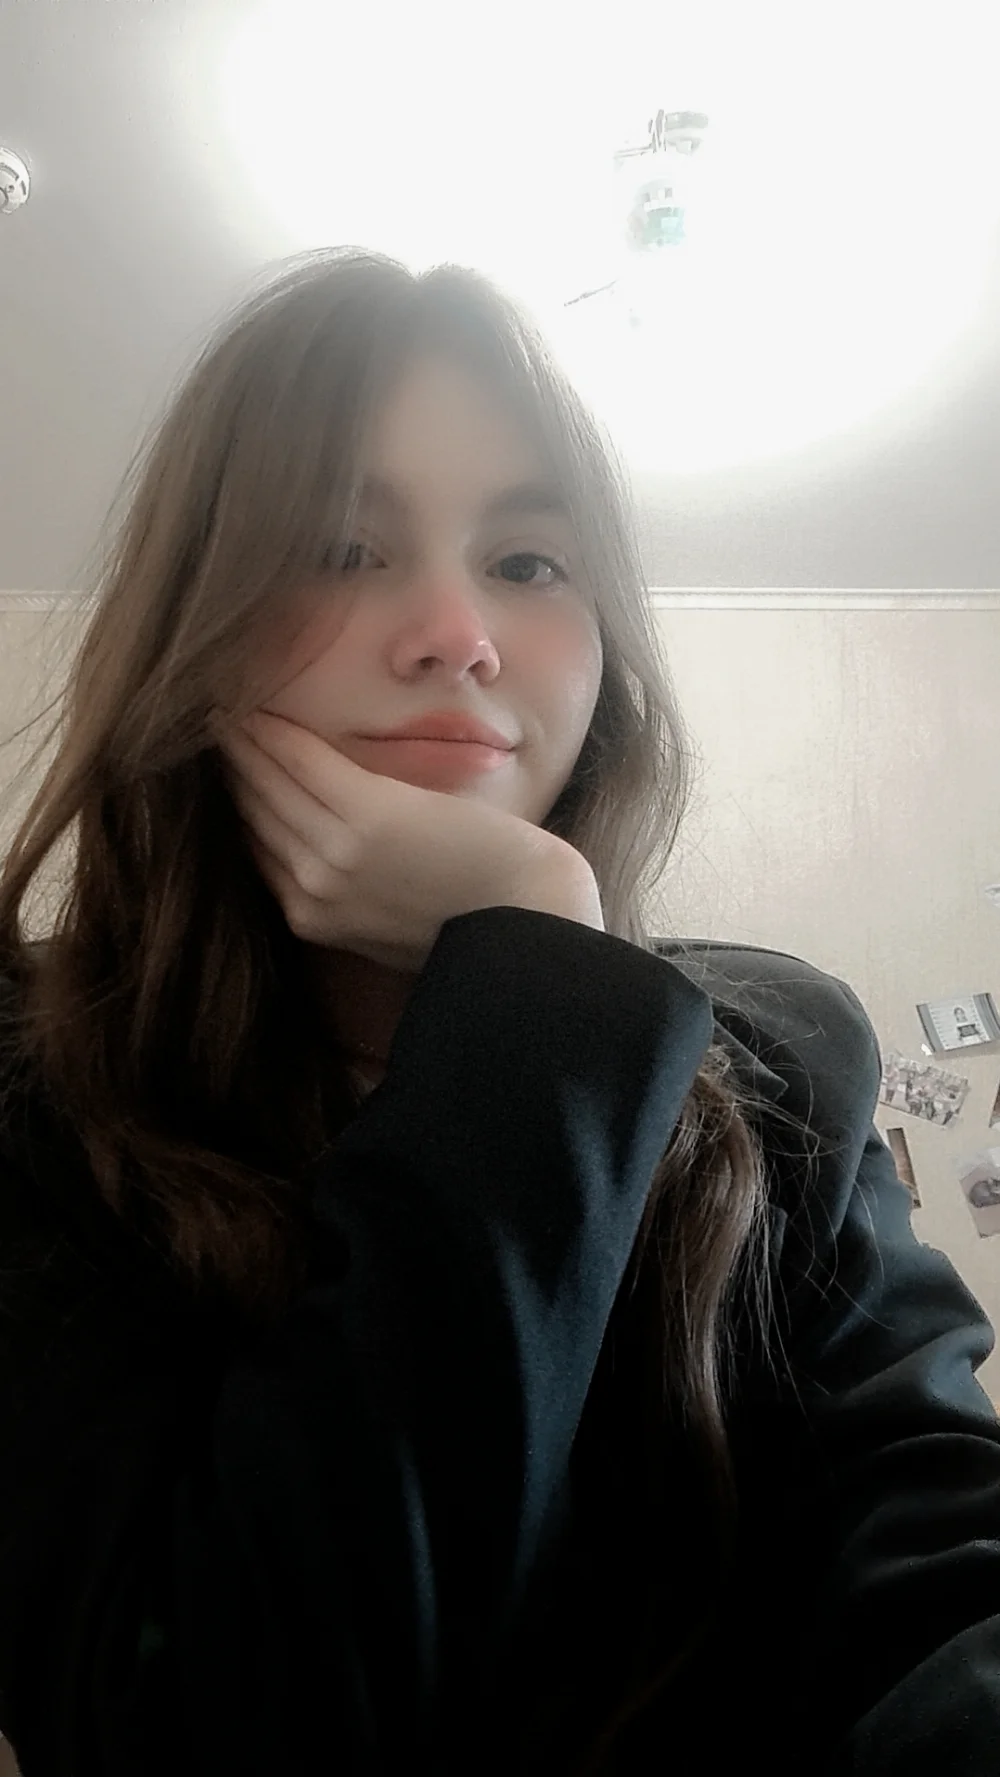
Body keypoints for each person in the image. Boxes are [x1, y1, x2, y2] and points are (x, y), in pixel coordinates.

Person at [0, 246, 998, 1777]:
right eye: (342, 546)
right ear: (191, 636)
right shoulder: (31, 1088)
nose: (455, 633)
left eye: (530, 564)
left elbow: (931, 1558)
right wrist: (532, 971)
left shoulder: (781, 1049)